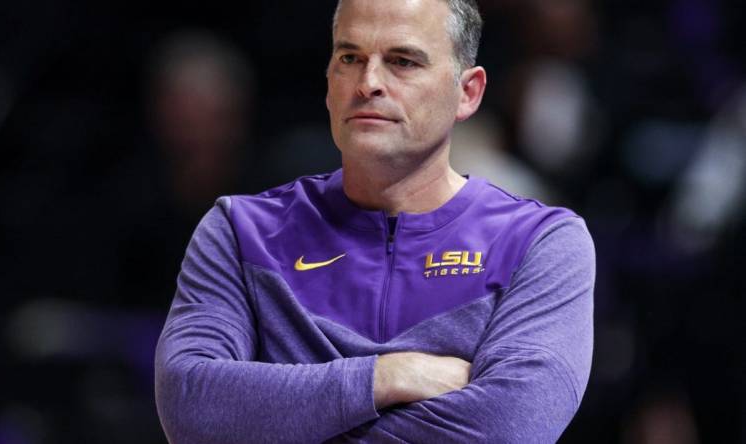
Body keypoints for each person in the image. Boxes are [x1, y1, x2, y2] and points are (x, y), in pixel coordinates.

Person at [154, 0, 595, 442]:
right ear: (328, 82)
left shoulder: (540, 243)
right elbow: (191, 408)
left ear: (468, 93)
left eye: (402, 61)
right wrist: (386, 377)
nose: (368, 83)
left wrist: (279, 417)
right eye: (350, 58)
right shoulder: (239, 232)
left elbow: (507, 428)